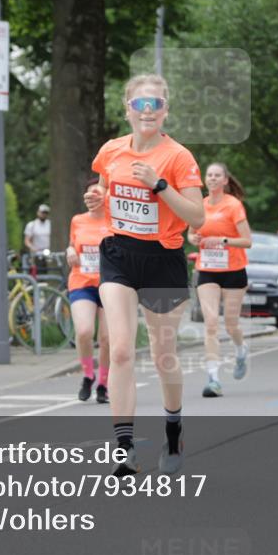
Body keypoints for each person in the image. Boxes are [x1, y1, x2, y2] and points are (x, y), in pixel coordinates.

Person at [85, 74, 204, 476]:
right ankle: (124, 448)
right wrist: (97, 199)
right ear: (128, 110)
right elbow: (103, 190)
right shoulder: (112, 150)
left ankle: (173, 429)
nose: (147, 111)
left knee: (163, 355)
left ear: (165, 110)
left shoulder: (179, 157)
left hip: (162, 259)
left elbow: (196, 217)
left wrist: (159, 186)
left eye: (155, 104)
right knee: (119, 349)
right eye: (140, 104)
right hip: (119, 253)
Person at [188, 162, 252, 397]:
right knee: (211, 322)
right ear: (205, 180)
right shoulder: (199, 205)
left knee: (231, 324)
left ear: (225, 181)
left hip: (234, 269)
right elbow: (191, 233)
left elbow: (247, 241)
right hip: (207, 269)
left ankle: (240, 349)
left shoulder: (233, 206)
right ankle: (213, 378)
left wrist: (223, 241)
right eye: (210, 175)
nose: (213, 179)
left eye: (217, 176)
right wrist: (194, 238)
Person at [66, 178, 112, 403]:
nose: (92, 197)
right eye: (89, 194)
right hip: (82, 281)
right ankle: (87, 375)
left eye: (97, 193)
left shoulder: (114, 222)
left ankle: (103, 384)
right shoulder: (78, 220)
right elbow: (73, 244)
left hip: (110, 285)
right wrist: (69, 251)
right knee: (84, 331)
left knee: (107, 338)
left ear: (107, 197)